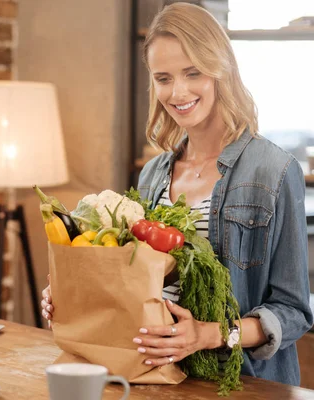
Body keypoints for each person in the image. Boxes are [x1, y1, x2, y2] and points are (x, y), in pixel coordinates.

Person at [40, 2, 313, 386]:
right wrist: (76, 295)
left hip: (237, 384)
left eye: (192, 73)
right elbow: (133, 284)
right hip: (155, 377)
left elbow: (293, 311)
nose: (177, 91)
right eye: (163, 77)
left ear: (220, 69)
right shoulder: (153, 174)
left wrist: (211, 334)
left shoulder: (274, 170)